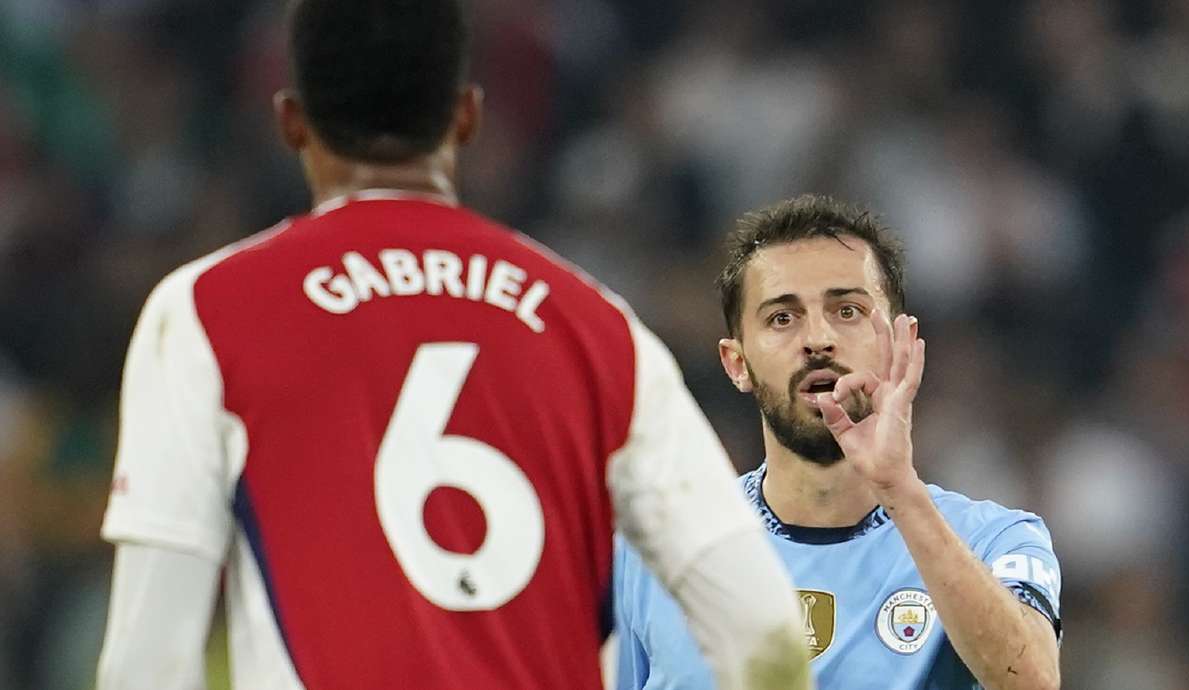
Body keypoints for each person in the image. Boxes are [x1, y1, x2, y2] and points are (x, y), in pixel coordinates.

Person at [93, 1, 810, 689]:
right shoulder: (597, 330)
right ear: (467, 115)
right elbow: (766, 632)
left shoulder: (209, 312)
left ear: (290, 121)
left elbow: (146, 665)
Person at [613, 194, 1063, 690]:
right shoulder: (651, 553)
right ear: (736, 363)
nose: (818, 339)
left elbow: (1034, 683)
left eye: (847, 310)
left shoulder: (995, 540)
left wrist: (899, 489)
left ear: (900, 342)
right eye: (782, 318)